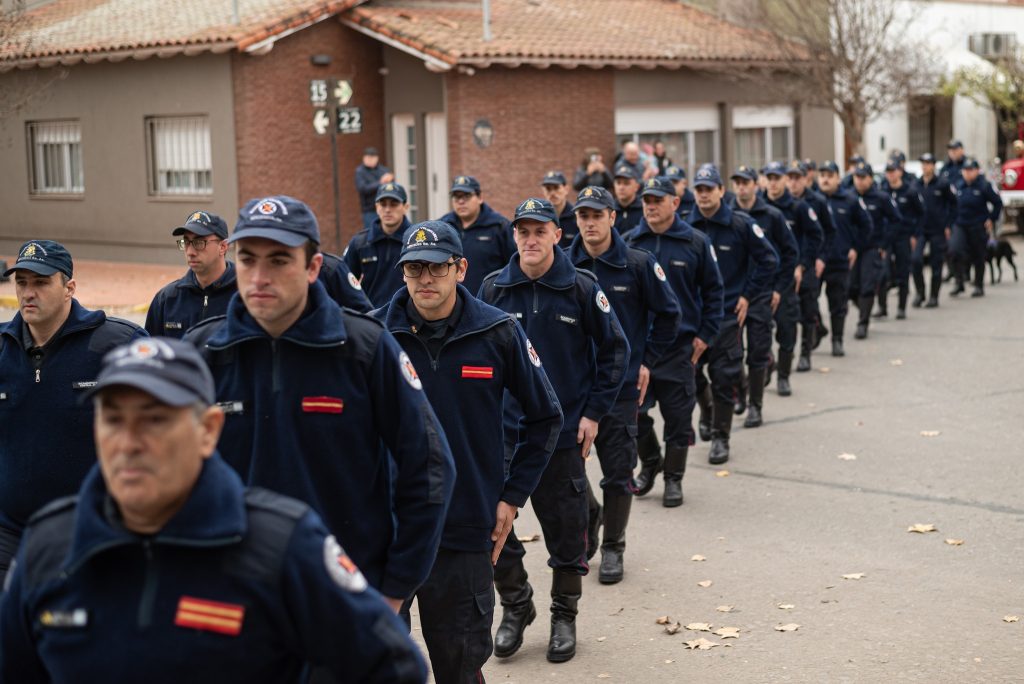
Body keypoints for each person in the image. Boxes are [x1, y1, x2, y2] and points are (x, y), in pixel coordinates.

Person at [0, 337, 427, 683]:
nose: (128, 442)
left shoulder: (280, 544)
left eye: (154, 420)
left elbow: (393, 667)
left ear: (208, 431)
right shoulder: (49, 547)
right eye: (113, 419)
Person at [185, 195, 456, 617]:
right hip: (238, 600)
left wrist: (396, 587)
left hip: (347, 597)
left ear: (313, 268)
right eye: (248, 258)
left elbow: (430, 466)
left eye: (278, 260)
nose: (259, 276)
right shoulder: (201, 354)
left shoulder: (364, 348)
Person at [379, 221, 562, 683]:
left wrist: (512, 497)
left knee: (460, 666)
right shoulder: (374, 336)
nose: (425, 279)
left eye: (436, 268)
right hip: (386, 533)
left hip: (463, 530)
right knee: (380, 668)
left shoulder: (499, 333)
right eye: (414, 268)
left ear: (460, 268)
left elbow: (545, 417)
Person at [479, 197, 628, 664]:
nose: (529, 239)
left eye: (539, 230)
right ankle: (517, 605)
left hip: (560, 436)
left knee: (567, 531)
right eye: (522, 231)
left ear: (556, 235)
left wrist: (593, 413)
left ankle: (565, 615)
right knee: (491, 526)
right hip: (504, 434)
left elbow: (615, 352)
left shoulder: (582, 289)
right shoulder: (492, 289)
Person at [0, 240, 146, 586]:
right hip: (10, 532)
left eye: (40, 282)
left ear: (69, 288)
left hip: (90, 526)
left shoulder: (117, 344)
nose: (28, 293)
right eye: (21, 283)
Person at [569, 185, 680, 583]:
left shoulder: (637, 263)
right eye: (583, 215)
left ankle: (614, 546)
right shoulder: (565, 265)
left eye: (597, 215)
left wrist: (648, 359)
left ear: (613, 218)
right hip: (574, 390)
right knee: (568, 476)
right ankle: (591, 517)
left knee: (618, 471)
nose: (590, 222)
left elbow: (669, 314)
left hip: (620, 388)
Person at [626, 178, 723, 506]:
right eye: (646, 200)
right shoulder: (629, 242)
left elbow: (714, 291)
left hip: (679, 348)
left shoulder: (695, 242)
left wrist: (706, 335)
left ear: (675, 203)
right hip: (639, 350)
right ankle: (651, 461)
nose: (650, 205)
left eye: (657, 199)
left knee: (679, 417)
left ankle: (673, 479)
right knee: (632, 413)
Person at [686, 167, 777, 465]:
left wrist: (747, 295)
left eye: (708, 188)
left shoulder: (741, 224)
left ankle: (721, 437)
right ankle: (708, 410)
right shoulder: (687, 226)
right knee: (692, 374)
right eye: (698, 188)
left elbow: (769, 260)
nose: (703, 194)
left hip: (726, 315)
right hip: (695, 316)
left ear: (721, 191)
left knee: (725, 378)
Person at [730, 165, 798, 421]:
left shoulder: (772, 215)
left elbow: (789, 254)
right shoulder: (727, 214)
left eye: (746, 182)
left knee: (757, 350)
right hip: (733, 295)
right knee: (732, 352)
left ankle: (755, 406)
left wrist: (779, 288)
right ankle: (741, 391)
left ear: (755, 185)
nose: (741, 187)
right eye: (737, 182)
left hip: (760, 293)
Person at [762, 161, 823, 380]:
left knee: (804, 314)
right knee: (762, 325)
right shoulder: (759, 207)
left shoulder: (799, 207)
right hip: (767, 277)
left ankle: (804, 353)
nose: (773, 183)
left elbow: (816, 236)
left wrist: (804, 264)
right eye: (769, 179)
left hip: (796, 271)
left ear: (785, 181)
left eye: (777, 178)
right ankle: (767, 361)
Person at [145, 211, 235, 338]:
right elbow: (152, 353)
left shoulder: (243, 296)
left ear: (223, 247)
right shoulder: (166, 299)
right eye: (186, 242)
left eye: (199, 242)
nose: (190, 252)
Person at [817, 160, 873, 356]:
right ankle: (816, 330)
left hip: (839, 260)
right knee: (807, 303)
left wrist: (855, 248)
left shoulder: (849, 200)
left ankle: (837, 340)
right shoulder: (812, 200)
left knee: (838, 304)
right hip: (815, 261)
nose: (825, 179)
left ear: (838, 179)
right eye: (822, 175)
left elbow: (866, 225)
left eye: (829, 175)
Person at [437, 175, 516, 295]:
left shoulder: (499, 226)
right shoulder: (443, 226)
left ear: (480, 198)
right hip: (452, 302)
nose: (461, 201)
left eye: (466, 196)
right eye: (456, 197)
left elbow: (513, 265)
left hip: (488, 302)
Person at [850, 163, 902, 339]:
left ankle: (862, 323)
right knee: (851, 288)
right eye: (857, 177)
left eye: (863, 177)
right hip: (852, 250)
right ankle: (866, 308)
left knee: (867, 285)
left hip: (872, 248)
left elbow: (896, 220)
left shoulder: (881, 197)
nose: (860, 181)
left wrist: (884, 244)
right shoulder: (849, 197)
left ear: (870, 178)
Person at [343, 182, 413, 307]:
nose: (387, 209)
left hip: (406, 320)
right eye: (383, 204)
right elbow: (344, 283)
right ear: (376, 207)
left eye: (394, 204)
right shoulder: (360, 242)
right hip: (371, 318)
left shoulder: (415, 241)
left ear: (406, 207)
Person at [950, 157, 1003, 298]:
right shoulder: (958, 185)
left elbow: (998, 203)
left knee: (978, 255)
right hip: (960, 224)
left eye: (970, 170)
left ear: (976, 171)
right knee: (955, 251)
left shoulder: (984, 185)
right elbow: (951, 205)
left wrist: (991, 219)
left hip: (977, 224)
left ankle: (979, 285)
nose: (967, 173)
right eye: (965, 170)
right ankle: (959, 282)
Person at [879, 161, 924, 319]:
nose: (890, 174)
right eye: (888, 171)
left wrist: (915, 235)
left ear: (900, 172)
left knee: (902, 272)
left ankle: (901, 307)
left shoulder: (910, 192)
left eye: (893, 171)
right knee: (882, 273)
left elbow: (920, 213)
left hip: (903, 236)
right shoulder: (882, 191)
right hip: (886, 237)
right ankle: (882, 307)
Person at [913, 153, 956, 307]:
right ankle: (920, 293)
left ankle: (933, 296)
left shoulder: (942, 184)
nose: (925, 166)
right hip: (920, 230)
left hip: (938, 229)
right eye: (923, 163)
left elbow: (953, 204)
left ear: (933, 165)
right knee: (916, 260)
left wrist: (948, 224)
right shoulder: (916, 184)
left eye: (928, 163)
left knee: (936, 264)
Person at [355, 147, 395, 229]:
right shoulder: (360, 171)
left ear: (377, 158)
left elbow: (392, 188)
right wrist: (380, 183)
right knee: (372, 234)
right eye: (367, 158)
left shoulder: (383, 170)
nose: (369, 160)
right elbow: (362, 189)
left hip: (385, 208)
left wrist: (390, 180)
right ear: (364, 158)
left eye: (372, 158)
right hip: (370, 210)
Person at [541, 170, 579, 249]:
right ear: (543, 191)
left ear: (566, 189)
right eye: (548, 189)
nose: (552, 193)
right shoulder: (540, 218)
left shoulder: (577, 216)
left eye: (556, 188)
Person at [612, 164, 644, 234]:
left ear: (637, 187)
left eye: (626, 183)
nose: (621, 187)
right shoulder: (609, 210)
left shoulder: (644, 209)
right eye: (618, 183)